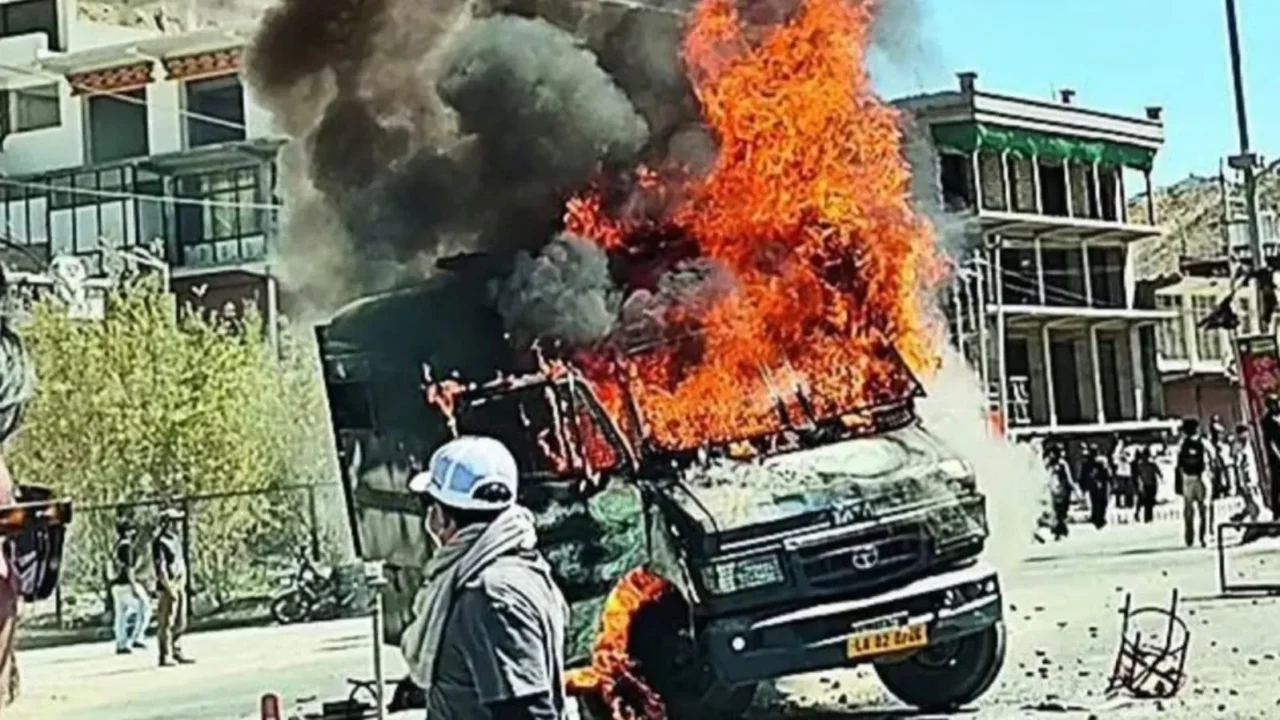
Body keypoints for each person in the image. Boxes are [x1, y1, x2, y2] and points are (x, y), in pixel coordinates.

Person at [401, 436, 570, 720]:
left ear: (441, 519)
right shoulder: (522, 568)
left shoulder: (491, 595)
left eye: (430, 505)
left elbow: (528, 712)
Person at [151, 508, 193, 667]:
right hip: (169, 585)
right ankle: (165, 655)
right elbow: (160, 568)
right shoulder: (160, 542)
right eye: (174, 521)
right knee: (166, 622)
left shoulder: (175, 539)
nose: (177, 524)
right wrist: (168, 587)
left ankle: (177, 649)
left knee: (180, 620)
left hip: (180, 582)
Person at [110, 512, 151, 655]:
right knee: (144, 607)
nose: (133, 532)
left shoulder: (116, 546)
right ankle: (138, 637)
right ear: (127, 532)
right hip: (126, 584)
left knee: (121, 615)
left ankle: (121, 643)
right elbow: (129, 568)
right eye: (131, 530)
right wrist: (134, 586)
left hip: (115, 585)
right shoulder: (126, 547)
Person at [1176, 418, 1210, 548]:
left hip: (1188, 478)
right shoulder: (1204, 443)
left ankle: (1189, 537)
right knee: (1204, 509)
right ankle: (1204, 537)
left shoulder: (1183, 444)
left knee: (1189, 510)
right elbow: (1213, 460)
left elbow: (1179, 465)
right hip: (1202, 477)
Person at [1045, 445, 1074, 540]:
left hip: (1063, 490)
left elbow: (1068, 477)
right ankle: (1059, 531)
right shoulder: (1049, 464)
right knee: (1056, 512)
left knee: (1061, 512)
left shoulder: (1062, 464)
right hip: (1053, 490)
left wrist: (1072, 487)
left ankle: (1061, 530)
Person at [1080, 444, 1112, 529]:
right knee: (1100, 501)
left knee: (1097, 501)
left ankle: (1097, 517)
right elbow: (1107, 473)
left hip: (1096, 484)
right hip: (1100, 484)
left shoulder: (1091, 462)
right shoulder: (1100, 461)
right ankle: (1099, 518)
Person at [1261, 394, 1280, 513]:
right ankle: (1276, 511)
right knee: (1277, 483)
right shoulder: (1267, 420)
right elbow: (1271, 442)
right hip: (1276, 456)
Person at [1133, 447, 1161, 524]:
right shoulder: (1149, 465)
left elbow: (1136, 475)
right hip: (1149, 485)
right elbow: (1158, 472)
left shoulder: (1142, 465)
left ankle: (1145, 517)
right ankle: (1147, 517)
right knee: (1148, 502)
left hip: (1147, 485)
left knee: (1146, 502)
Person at [1112, 437, 1134, 509]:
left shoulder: (1131, 449)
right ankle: (1118, 503)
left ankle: (1129, 503)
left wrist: (1125, 457)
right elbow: (1115, 459)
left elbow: (1131, 459)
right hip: (1120, 471)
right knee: (1119, 488)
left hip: (1127, 471)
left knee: (1129, 488)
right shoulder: (1118, 449)